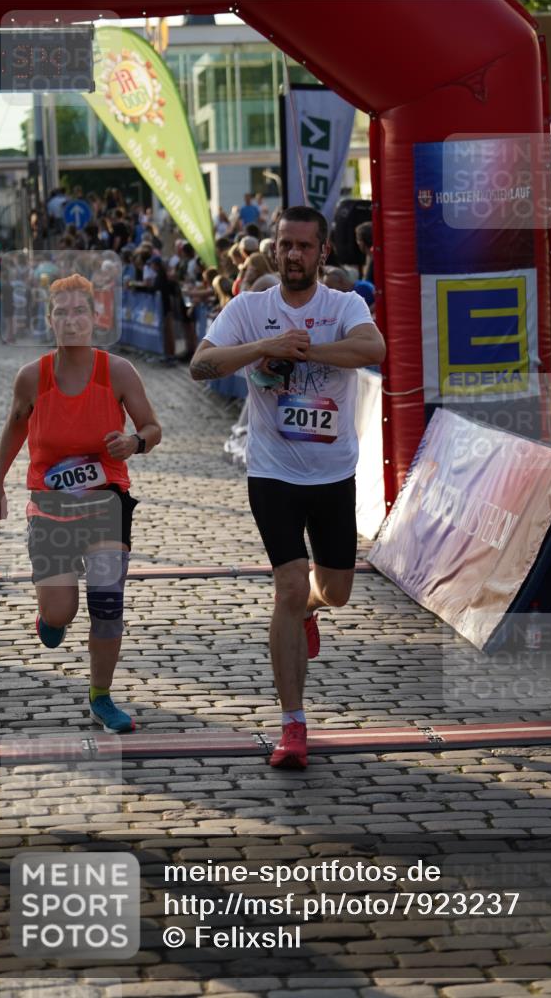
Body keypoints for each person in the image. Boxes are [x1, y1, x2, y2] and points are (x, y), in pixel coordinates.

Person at [189, 205, 385, 769]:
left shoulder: (344, 305)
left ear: (323, 252)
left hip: (332, 474)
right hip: (272, 473)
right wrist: (263, 348)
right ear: (274, 250)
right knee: (289, 586)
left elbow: (374, 351)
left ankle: (307, 614)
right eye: (285, 245)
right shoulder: (250, 309)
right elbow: (201, 366)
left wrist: (307, 350)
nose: (293, 255)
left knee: (336, 591)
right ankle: (293, 725)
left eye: (304, 246)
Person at [0, 274, 162, 733]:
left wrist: (134, 442)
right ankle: (51, 615)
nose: (71, 320)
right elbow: (15, 428)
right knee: (61, 612)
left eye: (79, 311)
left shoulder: (118, 372)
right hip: (51, 508)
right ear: (50, 321)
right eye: (61, 312)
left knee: (107, 604)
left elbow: (152, 427)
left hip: (107, 503)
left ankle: (100, 696)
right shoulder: (32, 377)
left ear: (95, 318)